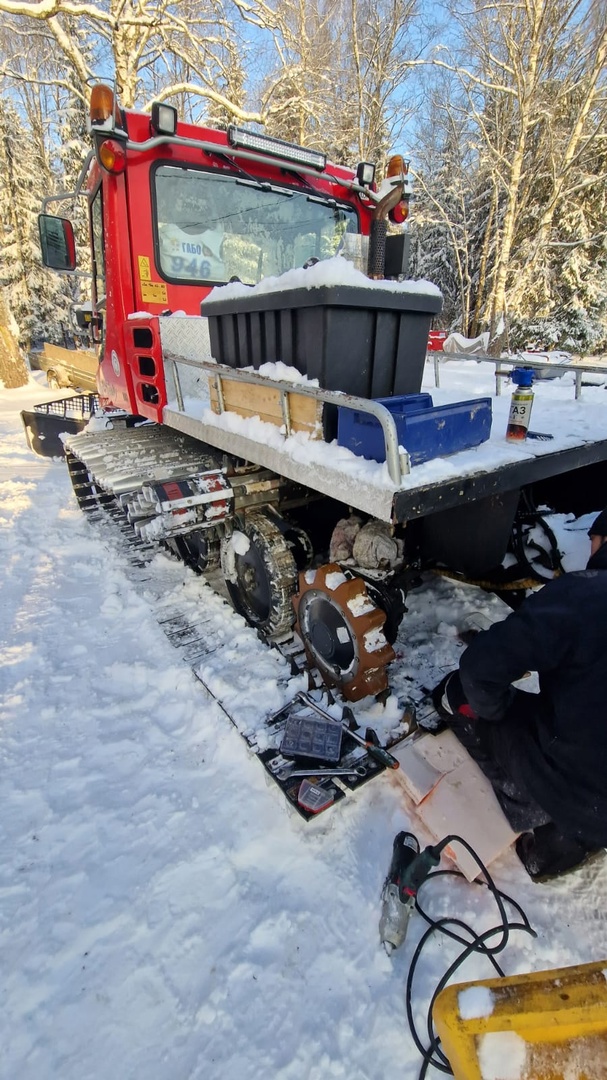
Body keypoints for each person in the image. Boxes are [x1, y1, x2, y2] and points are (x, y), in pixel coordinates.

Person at [432, 508, 607, 881]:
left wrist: (499, 711)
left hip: (585, 792)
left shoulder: (582, 594)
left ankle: (534, 807)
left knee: (457, 691)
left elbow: (479, 670)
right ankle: (565, 833)